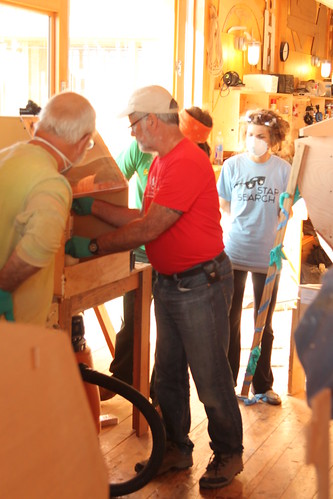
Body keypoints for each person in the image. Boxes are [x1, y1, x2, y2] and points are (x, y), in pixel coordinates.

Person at [66, 85, 243, 490]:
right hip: (172, 283)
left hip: (201, 283)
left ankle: (229, 452)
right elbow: (142, 215)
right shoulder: (162, 160)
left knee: (210, 377)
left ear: (150, 120)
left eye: (133, 126)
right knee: (167, 377)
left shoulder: (185, 162)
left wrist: (92, 244)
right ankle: (177, 448)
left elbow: (148, 228)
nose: (132, 135)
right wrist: (94, 207)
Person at [108, 106, 214, 389]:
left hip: (181, 264)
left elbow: (152, 224)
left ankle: (156, 393)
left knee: (171, 345)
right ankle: (122, 380)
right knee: (132, 321)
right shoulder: (143, 151)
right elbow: (114, 181)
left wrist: (97, 245)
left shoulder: (191, 160)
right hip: (142, 251)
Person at [0, 91, 96, 325]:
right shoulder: (52, 182)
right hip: (15, 328)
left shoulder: (5, 157)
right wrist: (3, 289)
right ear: (83, 142)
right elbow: (38, 248)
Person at [217, 108, 291, 405]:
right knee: (230, 320)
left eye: (261, 136)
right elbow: (224, 203)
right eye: (250, 135)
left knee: (265, 323)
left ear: (273, 139)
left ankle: (262, 385)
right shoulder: (232, 166)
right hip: (234, 253)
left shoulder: (283, 169)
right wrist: (244, 222)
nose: (254, 140)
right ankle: (228, 380)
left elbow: (288, 206)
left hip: (267, 256)